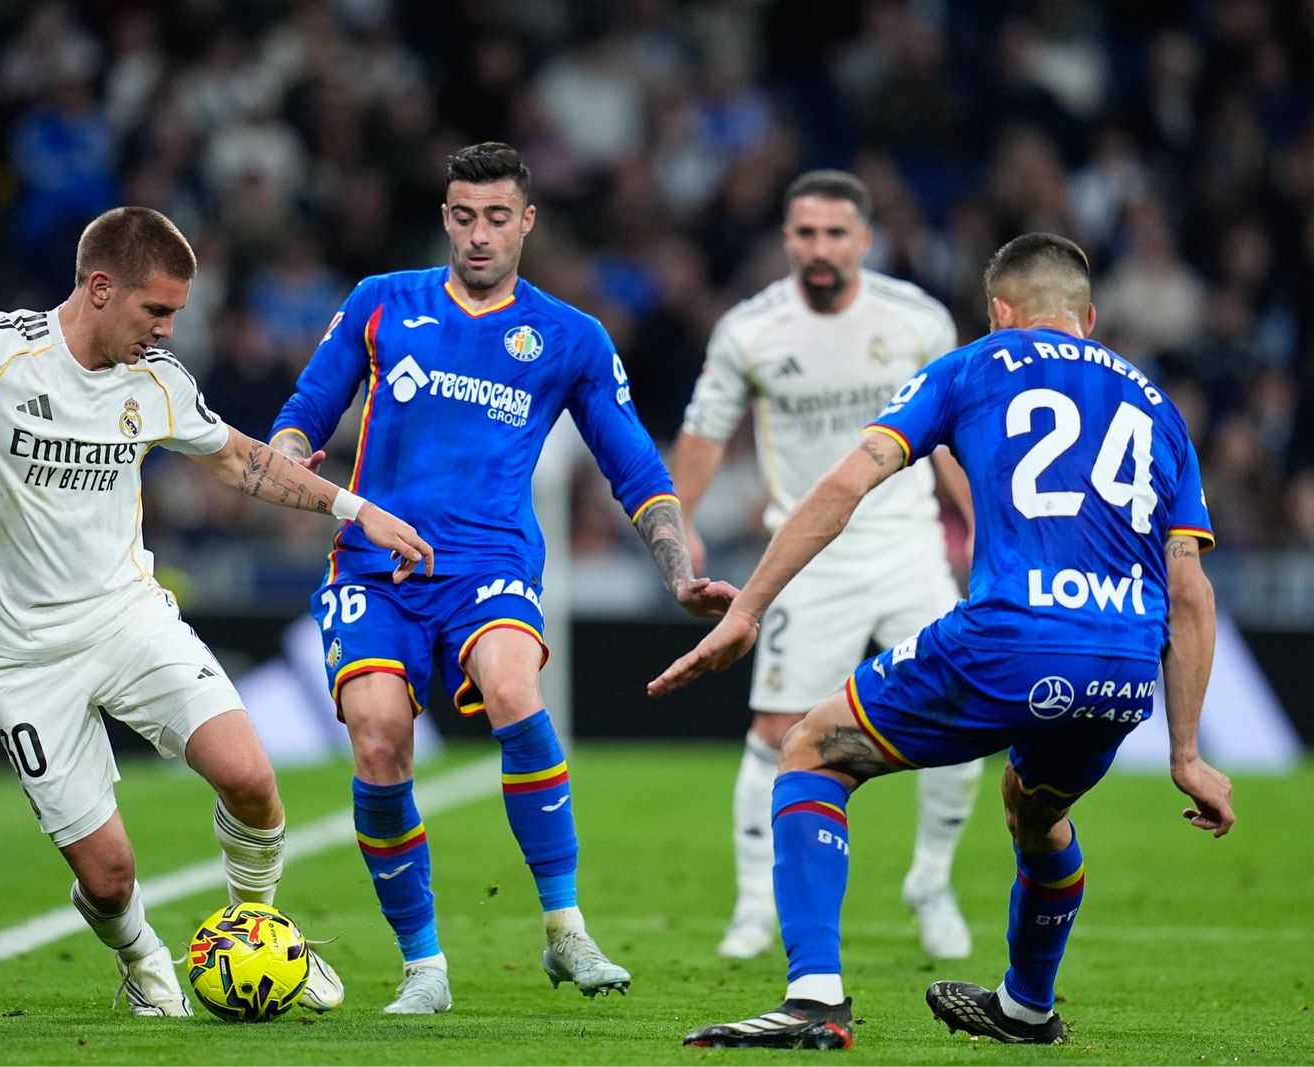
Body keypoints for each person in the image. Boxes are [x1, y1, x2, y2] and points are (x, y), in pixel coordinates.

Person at [0, 206, 435, 1019]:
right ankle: (141, 955)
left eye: (177, 312)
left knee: (252, 778)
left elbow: (240, 460)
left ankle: (256, 924)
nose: (169, 329)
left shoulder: (158, 380)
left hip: (128, 618)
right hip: (20, 654)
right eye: (158, 310)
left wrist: (357, 511)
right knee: (108, 876)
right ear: (101, 287)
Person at [649, 233, 1233, 1049]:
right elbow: (1190, 591)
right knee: (1036, 816)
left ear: (1000, 313)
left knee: (813, 748)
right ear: (1090, 319)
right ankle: (1027, 1007)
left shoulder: (973, 366)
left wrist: (749, 607)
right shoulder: (1158, 408)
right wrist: (1187, 753)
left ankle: (814, 999)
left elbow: (846, 483)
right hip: (1122, 663)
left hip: (1011, 637)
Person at [269, 142, 736, 1014]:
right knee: (376, 739)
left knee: (516, 692)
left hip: (489, 564)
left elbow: (635, 469)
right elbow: (302, 416)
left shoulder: (569, 336)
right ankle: (425, 968)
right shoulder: (381, 304)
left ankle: (565, 930)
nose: (477, 235)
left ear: (527, 221)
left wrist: (679, 573)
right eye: (462, 215)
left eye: (495, 217)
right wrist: (293, 467)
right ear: (444, 216)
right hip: (373, 567)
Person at [670, 170, 983, 961]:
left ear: (865, 239)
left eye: (835, 233)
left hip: (909, 544)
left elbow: (950, 439)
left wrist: (986, 527)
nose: (819, 248)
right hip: (808, 561)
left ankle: (932, 881)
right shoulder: (750, 329)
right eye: (805, 233)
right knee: (777, 731)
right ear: (785, 238)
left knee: (969, 713)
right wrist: (677, 526)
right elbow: (707, 432)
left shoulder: (918, 320)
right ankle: (752, 908)